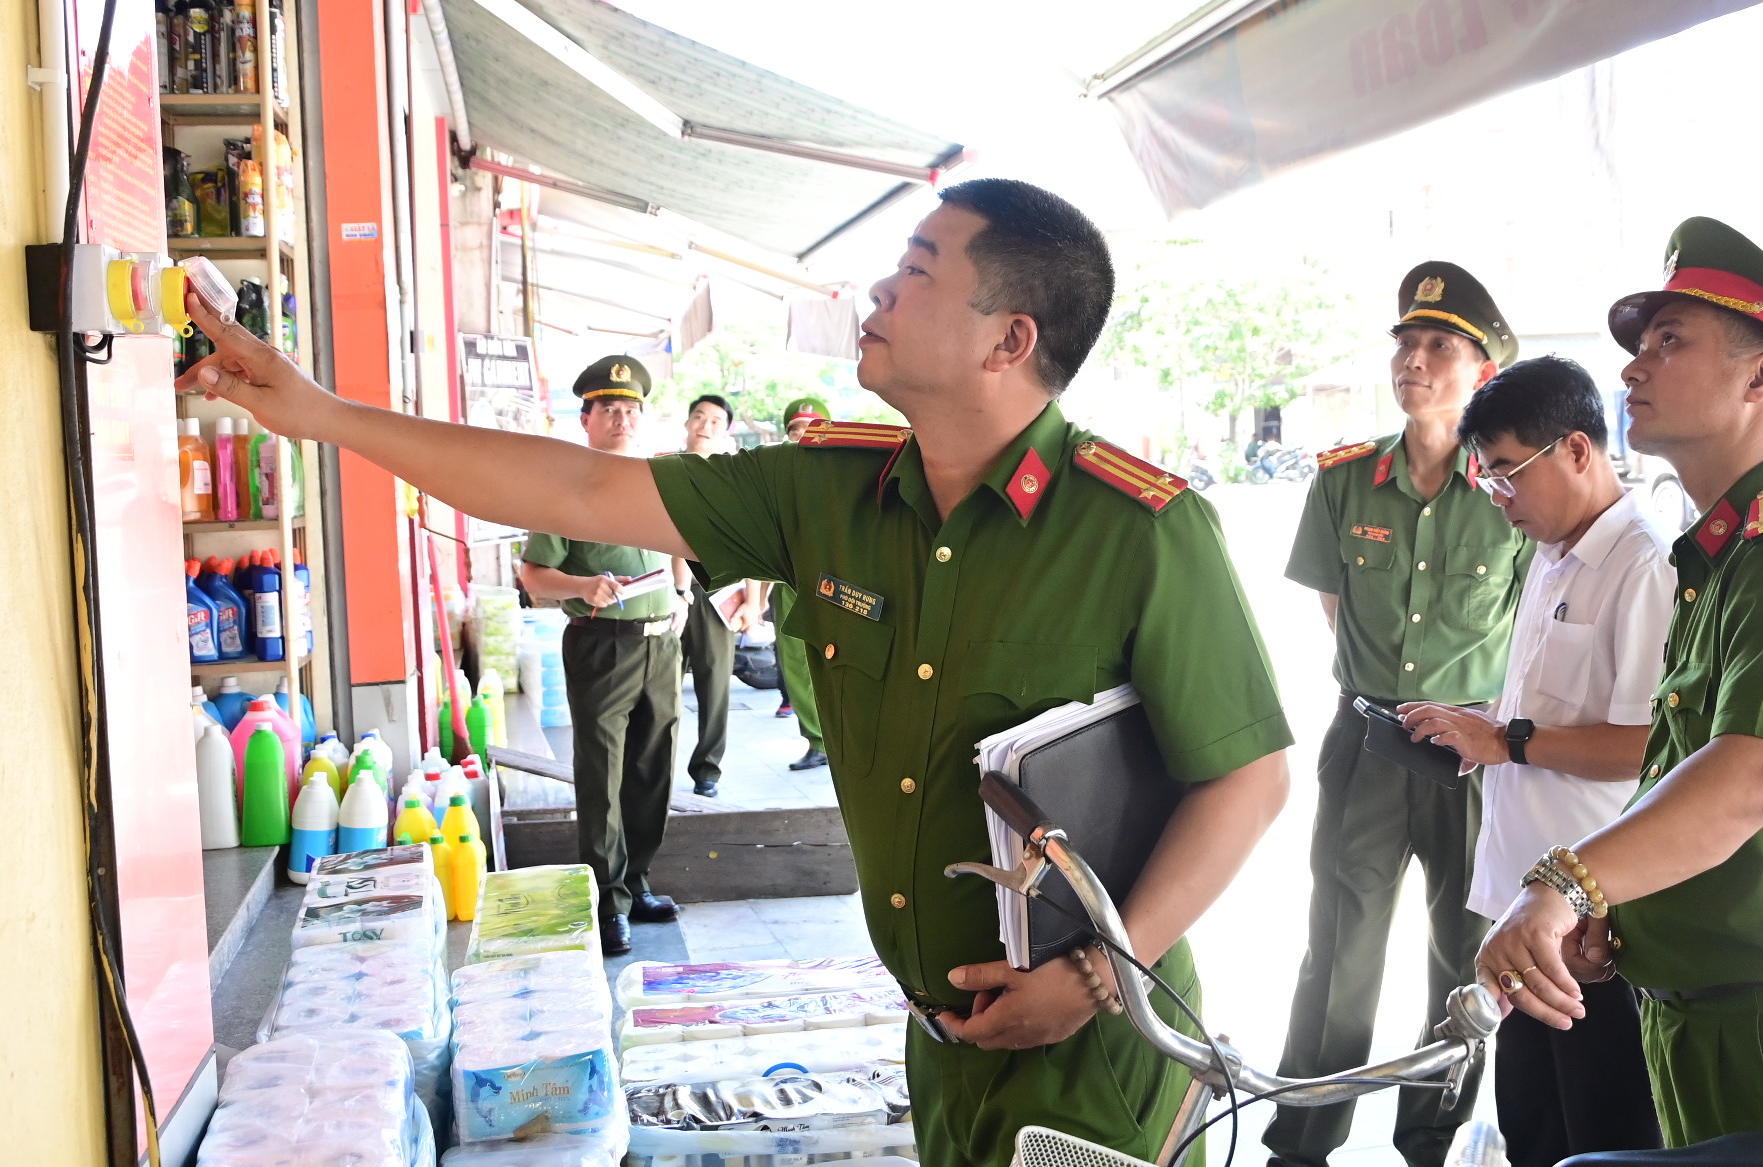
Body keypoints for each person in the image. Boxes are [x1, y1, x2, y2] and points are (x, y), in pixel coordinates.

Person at [177, 177, 1293, 1167]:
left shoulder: (1142, 531)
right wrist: (321, 416)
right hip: (940, 1036)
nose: (878, 297)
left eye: (915, 273)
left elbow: (1249, 778)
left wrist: (1102, 971)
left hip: (1095, 1042)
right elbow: (572, 493)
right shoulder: (824, 494)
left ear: (1009, 339)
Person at [1475, 217, 1763, 1167]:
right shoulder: (1724, 556)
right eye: (1639, 348)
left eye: (1669, 343)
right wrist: (1619, 914)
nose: (1633, 369)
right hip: (1695, 1016)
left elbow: (1755, 774)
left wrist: (1565, 883)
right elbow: (1681, 773)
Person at [1269, 262, 1532, 1167]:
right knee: (1338, 951)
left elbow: (1535, 629)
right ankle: (1301, 1141)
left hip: (1473, 753)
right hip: (1370, 743)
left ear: (1481, 370)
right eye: (1407, 344)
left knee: (1464, 960)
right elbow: (1334, 609)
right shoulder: (1344, 483)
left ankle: (1432, 1139)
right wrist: (1380, 695)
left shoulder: (1511, 492)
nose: (1414, 360)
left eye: (1439, 347)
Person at [1396, 355, 1667, 1167]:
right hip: (1524, 905)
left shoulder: (1644, 565)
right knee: (1531, 1128)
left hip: (1593, 925)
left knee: (1602, 1136)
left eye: (1507, 473)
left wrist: (1506, 741)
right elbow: (1553, 712)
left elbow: (1649, 747)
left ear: (1578, 450)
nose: (1497, 496)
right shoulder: (1552, 552)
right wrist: (1480, 723)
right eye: (1487, 476)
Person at [514, 355, 681, 956]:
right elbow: (534, 575)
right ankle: (606, 899)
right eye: (608, 408)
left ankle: (637, 882)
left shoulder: (655, 477)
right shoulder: (566, 487)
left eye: (630, 408)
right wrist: (582, 587)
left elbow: (675, 543)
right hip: (601, 643)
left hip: (661, 641)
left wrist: (681, 594)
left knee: (652, 767)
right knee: (602, 773)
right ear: (584, 418)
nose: (621, 417)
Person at [669, 393, 762, 798]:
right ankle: (654, 769)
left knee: (715, 687)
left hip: (717, 595)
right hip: (667, 593)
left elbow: (755, 543)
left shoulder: (734, 478)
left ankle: (707, 770)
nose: (705, 425)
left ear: (725, 431)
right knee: (661, 689)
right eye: (699, 417)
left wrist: (754, 602)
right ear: (687, 422)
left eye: (715, 421)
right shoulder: (662, 469)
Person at [773, 397, 829, 771]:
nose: (804, 435)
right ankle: (817, 740)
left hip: (838, 583)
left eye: (813, 428)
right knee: (795, 663)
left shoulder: (847, 474)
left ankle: (843, 740)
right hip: (788, 578)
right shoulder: (775, 476)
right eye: (796, 430)